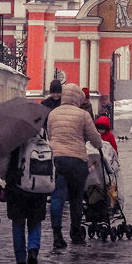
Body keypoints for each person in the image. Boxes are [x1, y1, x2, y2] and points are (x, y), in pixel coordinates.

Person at [46, 83, 105, 247]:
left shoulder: (53, 114)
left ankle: (57, 235)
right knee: (76, 198)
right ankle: (76, 231)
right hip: (77, 160)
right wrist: (99, 144)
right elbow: (94, 137)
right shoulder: (83, 115)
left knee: (57, 197)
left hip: (57, 160)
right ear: (78, 97)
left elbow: (50, 135)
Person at [0, 145, 49, 264]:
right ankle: (33, 251)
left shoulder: (12, 138)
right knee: (35, 222)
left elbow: (3, 165)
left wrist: (6, 176)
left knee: (18, 224)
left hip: (17, 186)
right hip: (38, 185)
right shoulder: (40, 134)